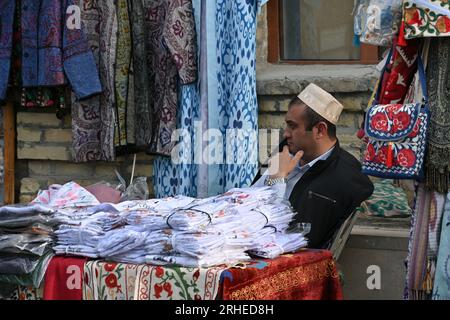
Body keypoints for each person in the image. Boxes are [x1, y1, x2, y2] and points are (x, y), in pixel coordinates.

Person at [253, 83, 374, 249]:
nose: (286, 133)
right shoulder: (286, 150)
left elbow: (286, 237)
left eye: (293, 126)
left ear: (320, 130)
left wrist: (278, 179)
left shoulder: (345, 178)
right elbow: (249, 198)